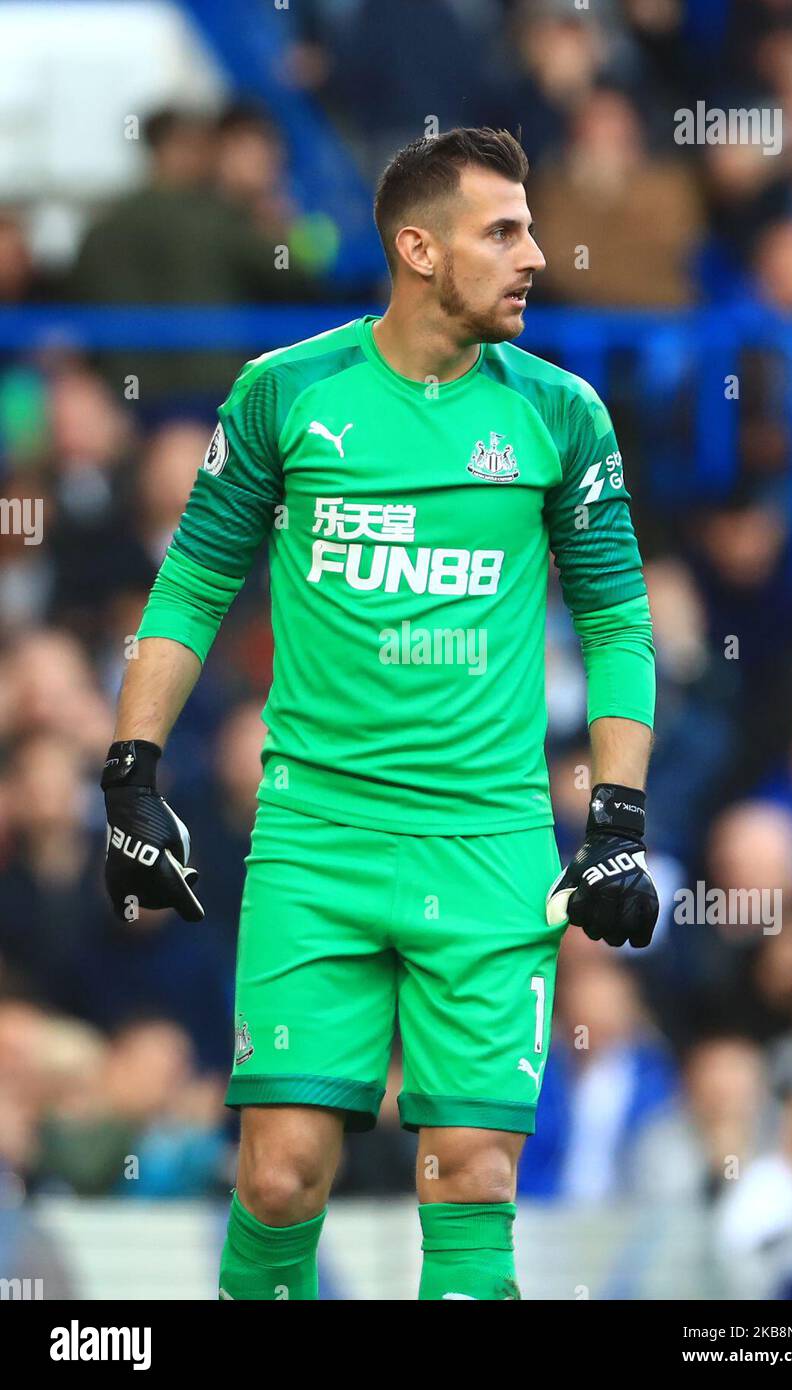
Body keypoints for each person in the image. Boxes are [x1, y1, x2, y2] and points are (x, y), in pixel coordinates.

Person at [99, 127, 658, 1301]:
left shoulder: (564, 416)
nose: (537, 256)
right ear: (417, 248)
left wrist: (617, 820)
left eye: (532, 229)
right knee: (280, 1176)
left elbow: (615, 623)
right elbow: (194, 584)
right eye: (503, 232)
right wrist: (131, 777)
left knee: (470, 1179)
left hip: (494, 845)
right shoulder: (286, 394)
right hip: (316, 842)